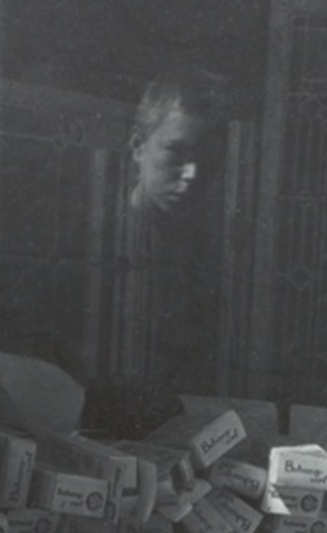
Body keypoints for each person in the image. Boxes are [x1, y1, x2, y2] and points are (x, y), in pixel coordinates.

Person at [85, 70, 227, 439]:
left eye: (203, 158)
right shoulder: (94, 240)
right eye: (176, 152)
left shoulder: (209, 250)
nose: (192, 173)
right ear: (138, 147)